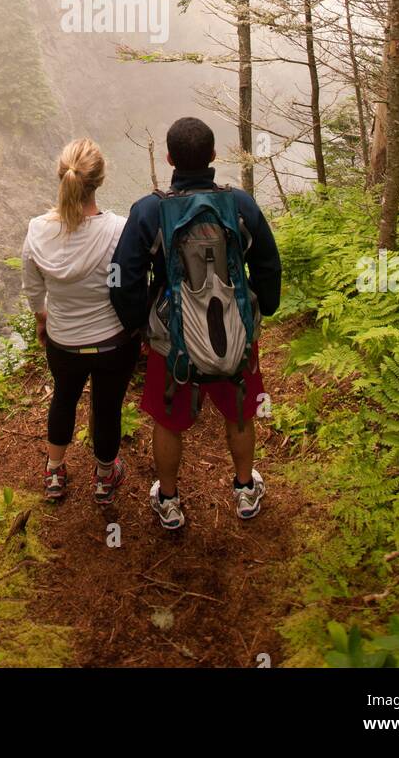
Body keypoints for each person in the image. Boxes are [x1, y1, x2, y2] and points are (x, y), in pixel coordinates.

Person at [110, 116, 281, 530]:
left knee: (168, 421)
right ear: (213, 156)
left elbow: (122, 276)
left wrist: (139, 327)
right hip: (234, 333)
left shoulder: (150, 211)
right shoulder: (240, 204)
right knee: (239, 413)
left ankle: (169, 500)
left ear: (169, 158)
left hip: (174, 342)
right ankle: (243, 490)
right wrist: (263, 310)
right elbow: (267, 262)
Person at [21, 138, 138, 505]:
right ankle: (105, 477)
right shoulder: (119, 230)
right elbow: (128, 282)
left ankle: (54, 470)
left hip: (64, 342)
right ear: (99, 181)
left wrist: (43, 321)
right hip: (112, 343)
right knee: (106, 407)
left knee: (64, 398)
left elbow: (33, 287)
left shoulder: (38, 230)